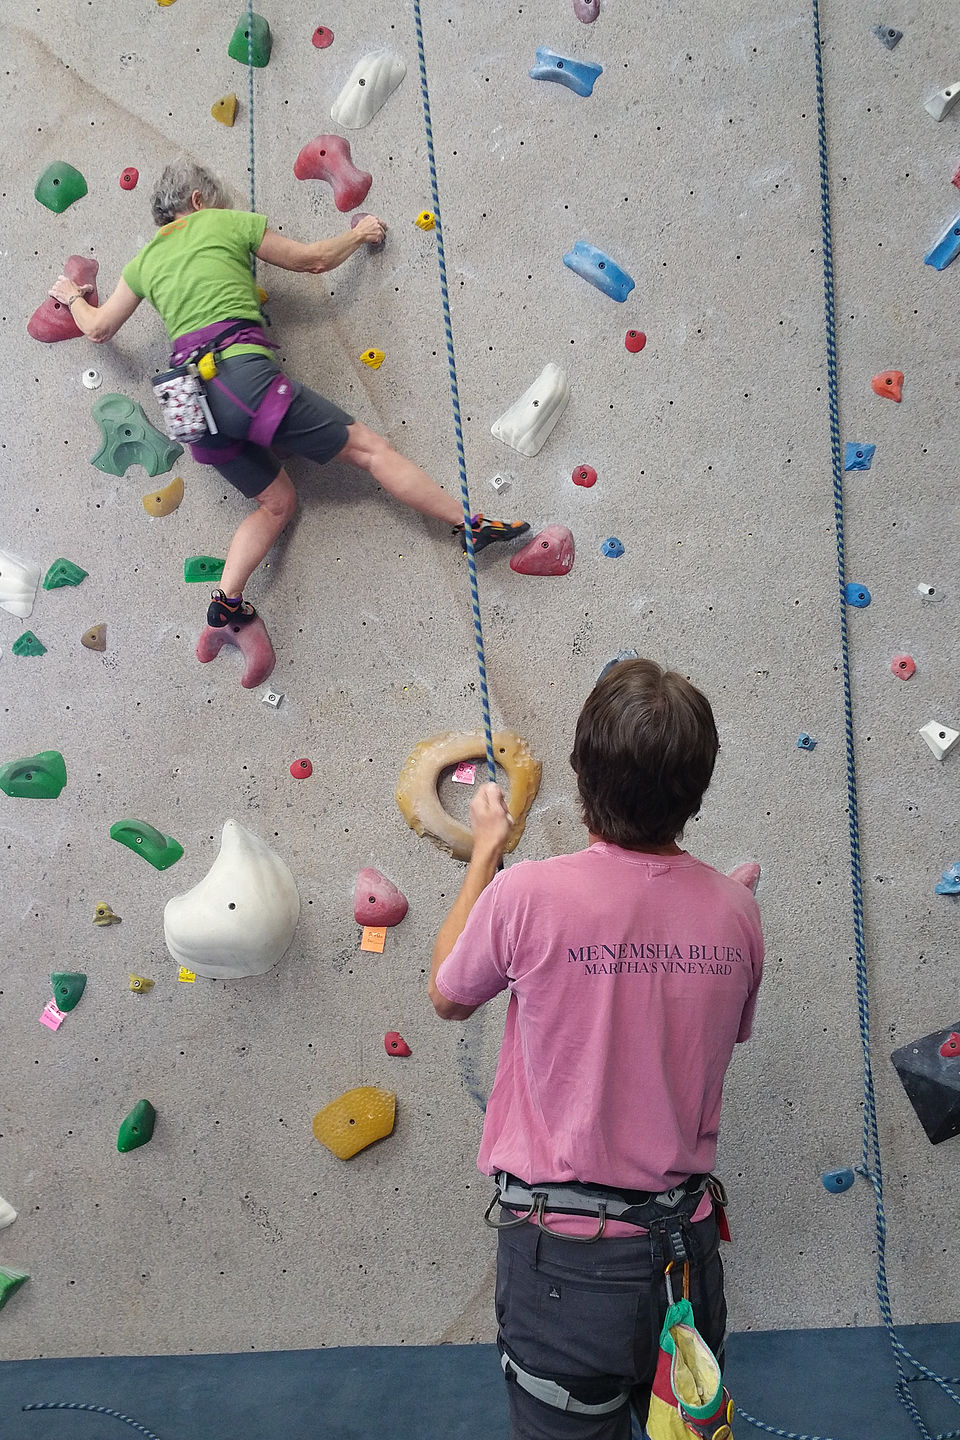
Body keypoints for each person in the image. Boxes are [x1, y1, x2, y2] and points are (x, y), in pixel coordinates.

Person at [429, 658, 764, 1440]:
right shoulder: (737, 913)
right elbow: (719, 1036)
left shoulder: (525, 893)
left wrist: (485, 848)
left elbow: (447, 994)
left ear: (581, 776)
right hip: (684, 1256)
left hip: (567, 1265)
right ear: (699, 787)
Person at [49, 159, 529, 637]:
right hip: (239, 375)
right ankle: (469, 525)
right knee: (369, 449)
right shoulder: (223, 221)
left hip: (186, 403)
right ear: (198, 201)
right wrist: (360, 233)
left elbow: (98, 328)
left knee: (276, 504)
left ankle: (227, 600)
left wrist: (72, 296)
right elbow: (312, 259)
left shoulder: (143, 261)